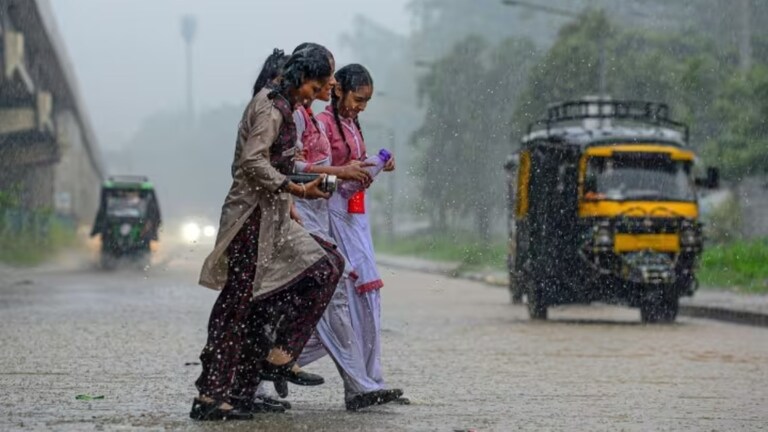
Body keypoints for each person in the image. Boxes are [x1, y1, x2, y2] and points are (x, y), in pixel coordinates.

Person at [191, 47, 344, 421]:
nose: (318, 92)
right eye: (316, 84)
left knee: (324, 266)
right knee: (238, 304)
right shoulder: (271, 107)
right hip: (250, 219)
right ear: (299, 78)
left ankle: (275, 359)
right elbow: (251, 162)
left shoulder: (288, 107)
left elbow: (279, 162)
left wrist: (294, 192)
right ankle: (212, 394)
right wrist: (296, 190)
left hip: (274, 216)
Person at [315, 64, 406, 409]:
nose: (361, 107)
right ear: (337, 90)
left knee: (367, 301)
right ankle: (360, 384)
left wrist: (374, 164)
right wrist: (346, 173)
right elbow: (315, 173)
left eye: (366, 101)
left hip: (356, 217)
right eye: (358, 98)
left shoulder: (352, 125)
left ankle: (370, 380)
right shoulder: (321, 126)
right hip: (331, 217)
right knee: (342, 304)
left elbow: (352, 170)